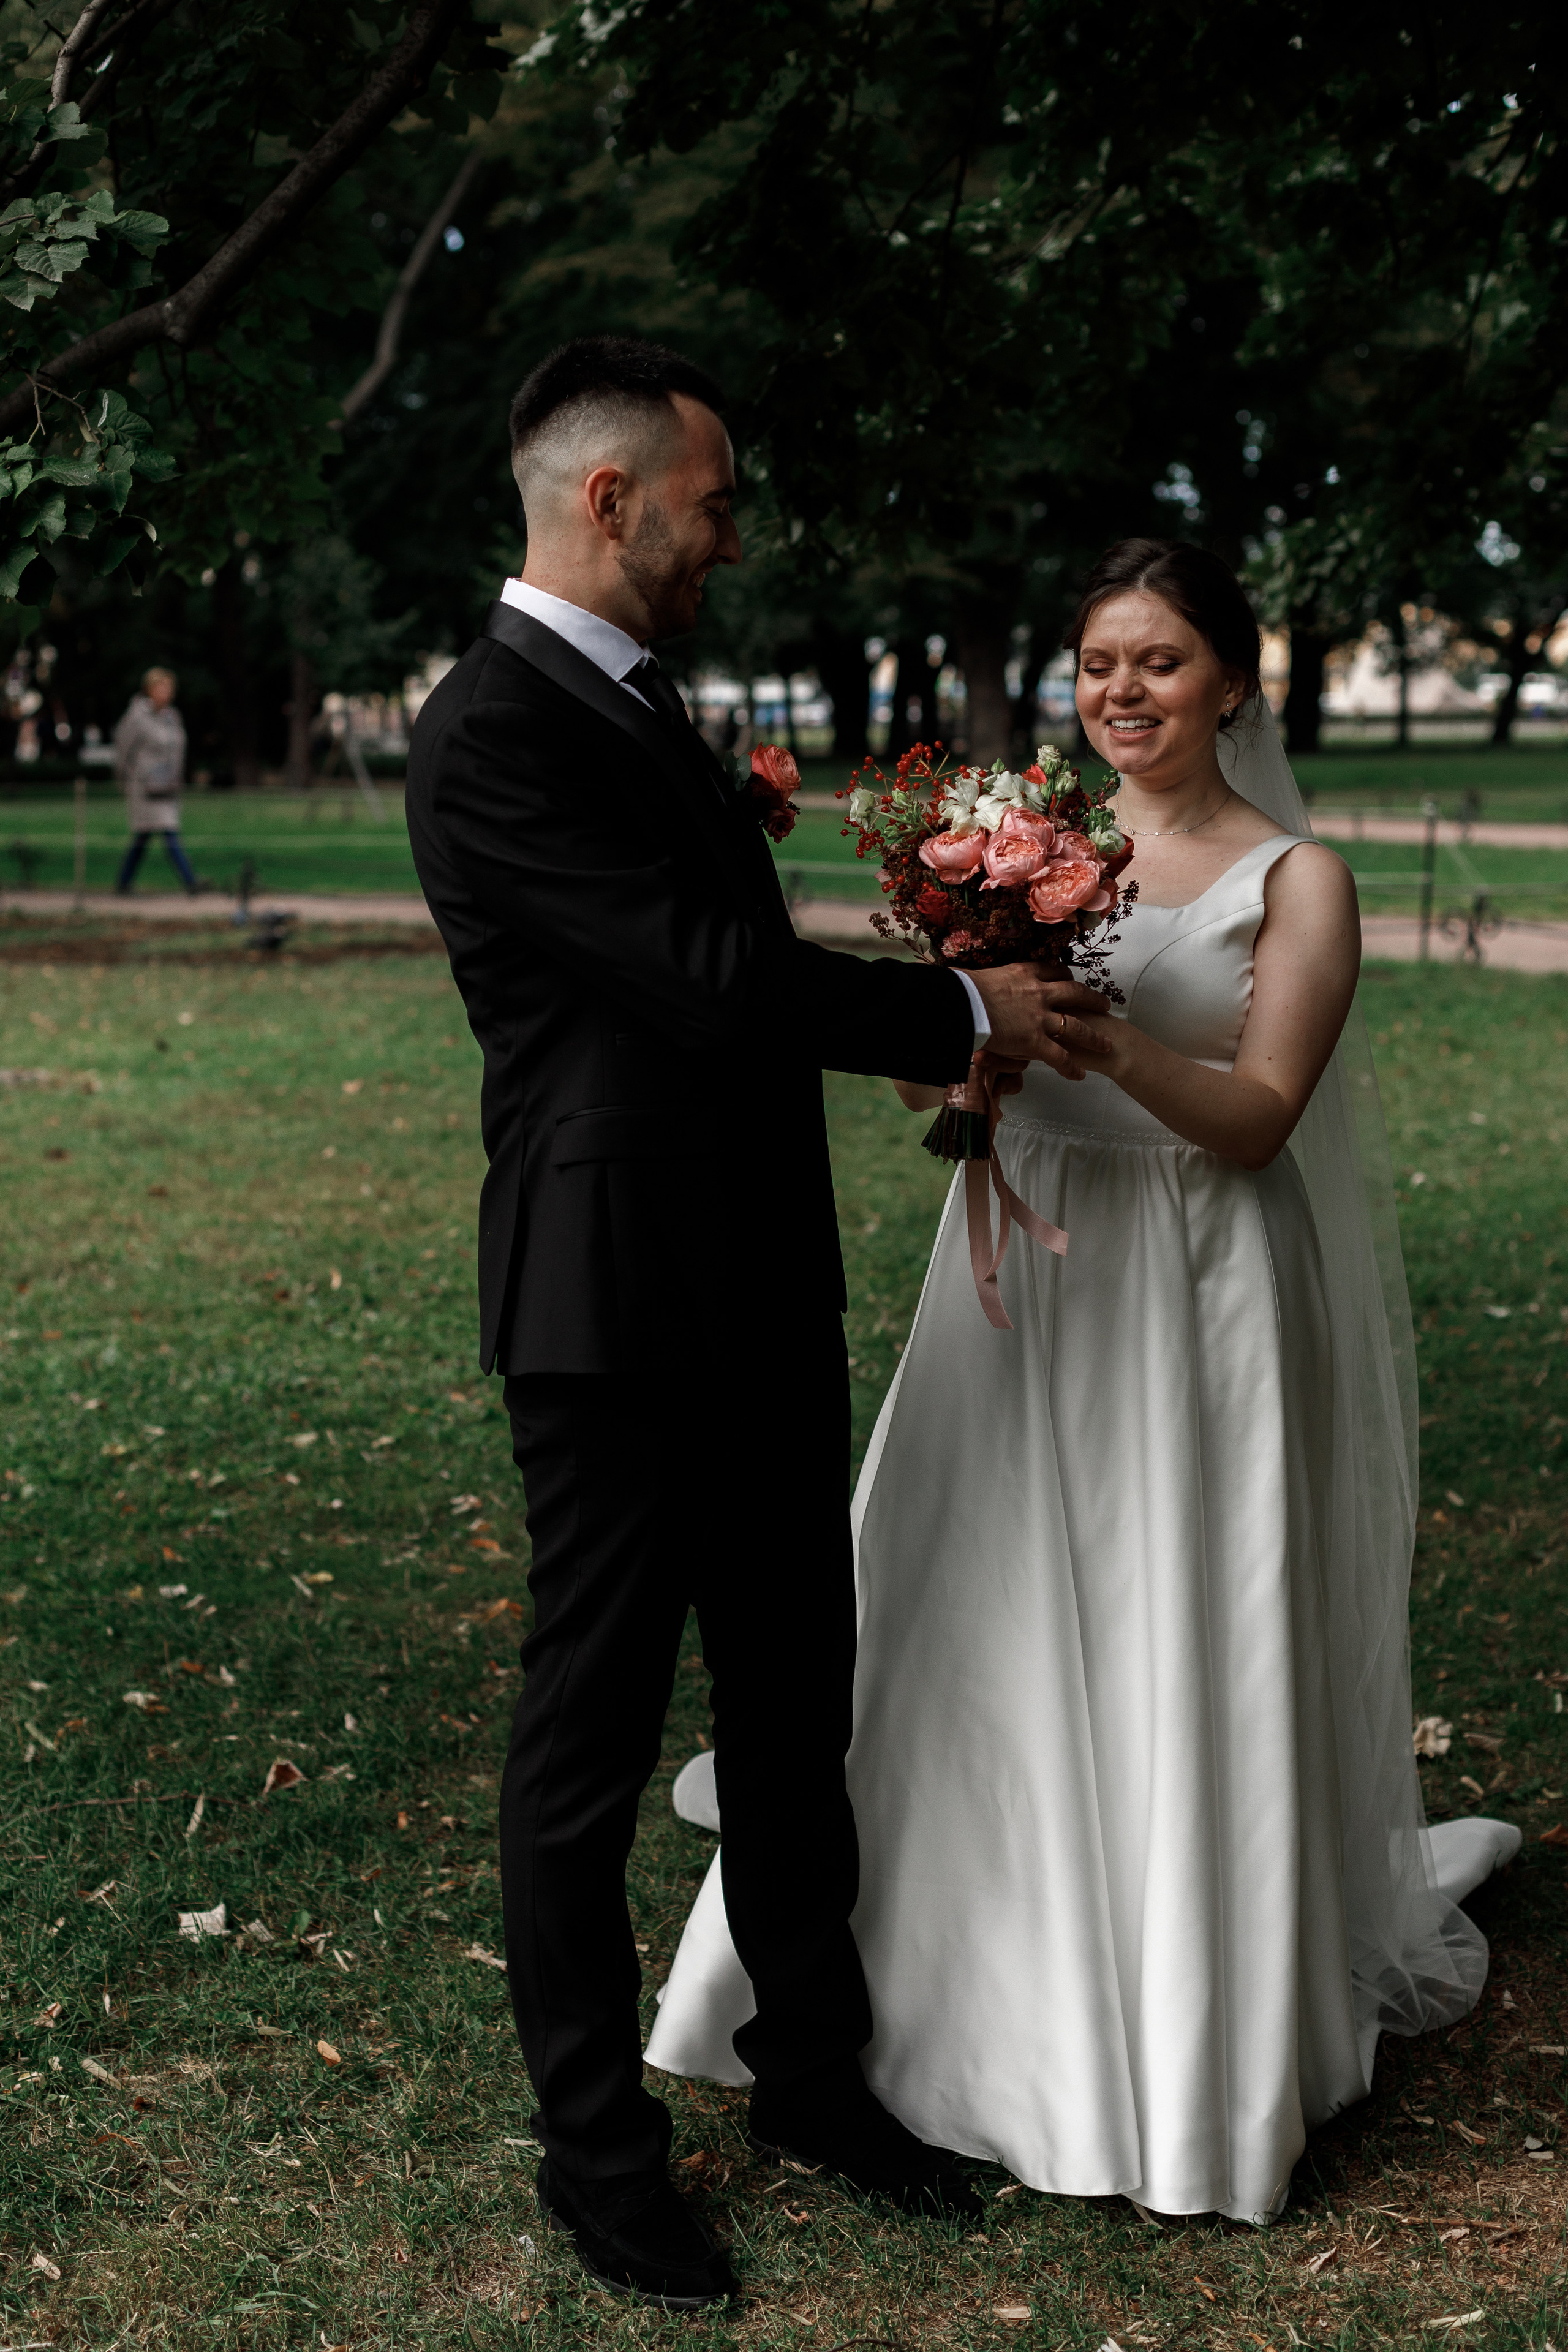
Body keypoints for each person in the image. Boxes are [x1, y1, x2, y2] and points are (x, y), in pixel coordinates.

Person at [647, 538, 1518, 2226]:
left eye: (1164, 663)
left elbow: (1260, 1120)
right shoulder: (1030, 849)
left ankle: (1175, 2047)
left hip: (1196, 1288)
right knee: (949, 1620)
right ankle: (910, 2003)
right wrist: (972, 1054)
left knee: (1164, 1616)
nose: (1123, 693)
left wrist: (1100, 1035)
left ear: (1237, 684)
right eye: (1100, 663)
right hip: (1015, 1286)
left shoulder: (1298, 879)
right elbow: (970, 1083)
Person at [402, 334, 1113, 2310]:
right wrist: (966, 1008)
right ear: (610, 498)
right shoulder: (490, 725)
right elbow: (708, 980)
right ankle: (597, 2151)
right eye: (709, 501)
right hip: (608, 1304)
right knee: (592, 1732)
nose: (730, 535)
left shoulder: (636, 701)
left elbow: (727, 974)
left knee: (801, 1704)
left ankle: (812, 2075)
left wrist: (932, 983)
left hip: (755, 1279)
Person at [113, 668, 197, 894]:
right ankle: (191, 882)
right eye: (161, 688)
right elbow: (123, 748)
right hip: (144, 788)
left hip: (167, 785)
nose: (166, 693)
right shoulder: (137, 717)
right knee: (162, 833)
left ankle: (123, 883)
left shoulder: (172, 717)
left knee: (149, 835)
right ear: (149, 690)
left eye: (169, 688)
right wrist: (125, 777)